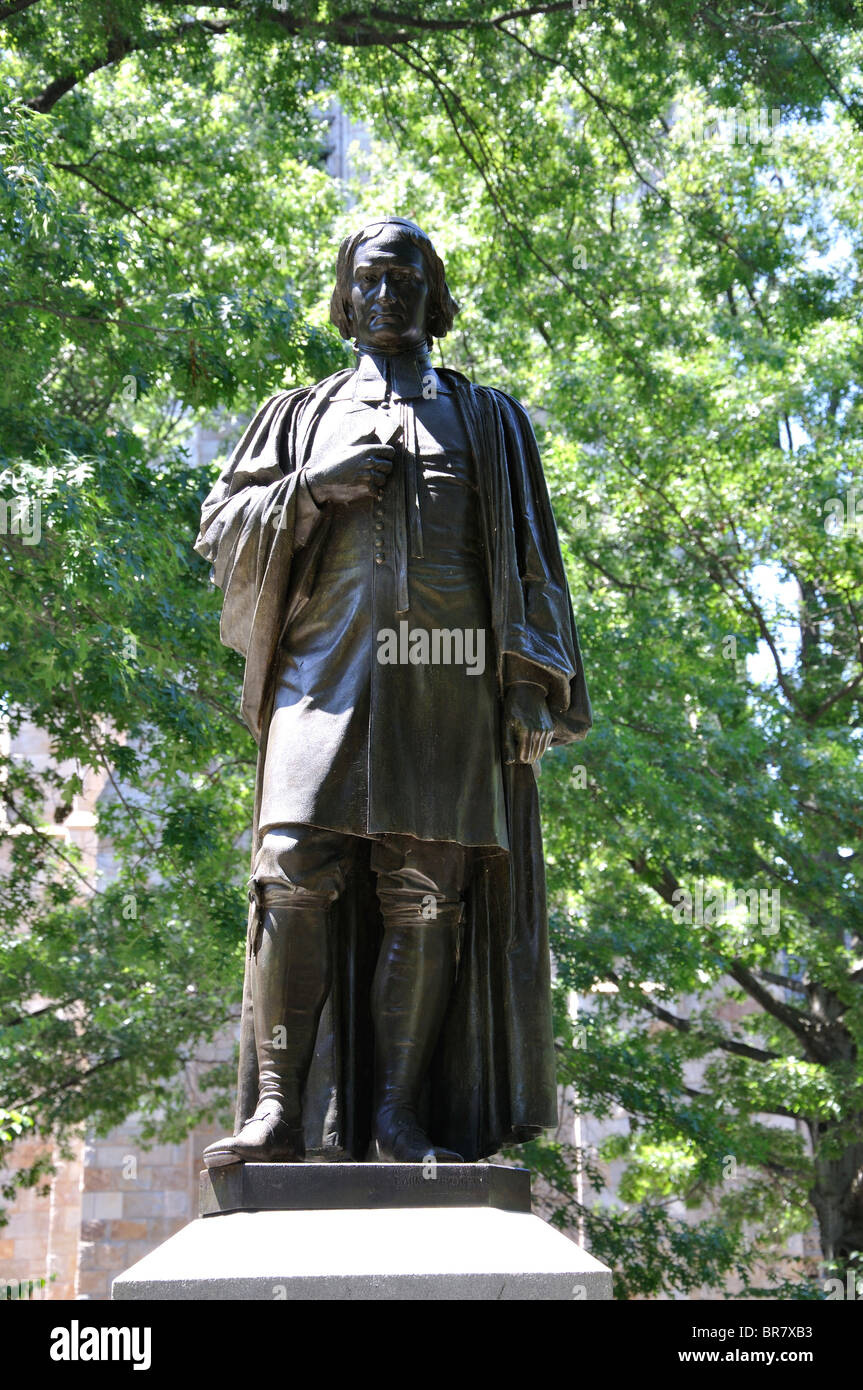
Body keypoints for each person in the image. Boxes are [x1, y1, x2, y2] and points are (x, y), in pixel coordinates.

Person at [195, 217, 591, 1166]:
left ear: (433, 296)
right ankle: (279, 1112)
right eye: (368, 279)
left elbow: (533, 561)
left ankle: (396, 1117)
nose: (385, 295)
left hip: (447, 680)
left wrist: (530, 686)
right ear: (344, 295)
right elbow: (220, 528)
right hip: (319, 676)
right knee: (288, 870)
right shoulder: (300, 415)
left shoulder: (488, 419)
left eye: (405, 278)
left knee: (424, 896)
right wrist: (308, 489)